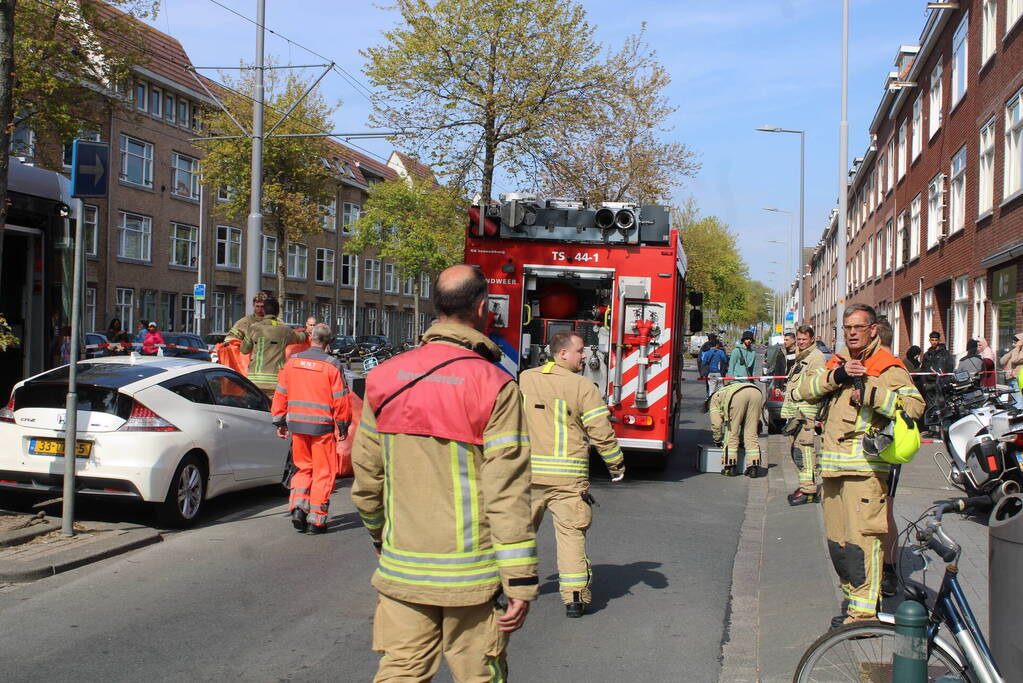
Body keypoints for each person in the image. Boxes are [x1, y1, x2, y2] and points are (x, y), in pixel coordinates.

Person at [351, 265, 536, 681]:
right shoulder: (495, 385)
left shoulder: (381, 379)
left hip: (403, 571)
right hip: (471, 578)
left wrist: (381, 537)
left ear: (434, 305)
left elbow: (366, 479)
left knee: (399, 671)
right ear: (484, 308)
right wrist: (520, 581)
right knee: (479, 674)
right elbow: (507, 493)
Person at [793, 304, 924, 627]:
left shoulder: (886, 366)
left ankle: (864, 614)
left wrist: (873, 393)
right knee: (839, 544)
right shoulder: (837, 362)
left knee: (863, 541)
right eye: (847, 327)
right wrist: (836, 377)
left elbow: (916, 407)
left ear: (872, 330)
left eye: (858, 327)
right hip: (833, 470)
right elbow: (800, 392)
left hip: (866, 470)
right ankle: (854, 601)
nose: (851, 333)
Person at [519, 330, 624, 619]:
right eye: (580, 351)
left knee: (517, 535)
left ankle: (506, 591)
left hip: (527, 476)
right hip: (568, 480)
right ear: (562, 353)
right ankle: (575, 599)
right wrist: (616, 465)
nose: (585, 356)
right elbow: (600, 431)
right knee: (571, 537)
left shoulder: (525, 379)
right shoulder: (582, 387)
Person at [272, 323, 352, 534]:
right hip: (322, 428)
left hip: (297, 425)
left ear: (311, 337)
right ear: (328, 343)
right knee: (324, 472)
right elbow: (341, 400)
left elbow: (281, 392)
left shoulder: (293, 362)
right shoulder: (332, 365)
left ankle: (298, 505)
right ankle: (316, 519)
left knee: (302, 467)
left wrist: (279, 421)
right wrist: (343, 425)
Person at [781, 325, 826, 505]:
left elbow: (815, 386)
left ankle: (809, 490)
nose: (800, 342)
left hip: (805, 413)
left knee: (805, 451)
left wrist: (796, 396)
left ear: (812, 339)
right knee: (797, 451)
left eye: (804, 339)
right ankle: (805, 485)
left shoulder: (816, 358)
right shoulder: (802, 357)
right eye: (798, 339)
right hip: (796, 413)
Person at [241, 298, 306, 398]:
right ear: (278, 312)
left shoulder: (254, 328)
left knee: (255, 412)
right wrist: (306, 333)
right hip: (276, 381)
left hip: (255, 381)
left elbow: (244, 350)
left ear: (264, 311)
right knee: (272, 411)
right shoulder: (284, 330)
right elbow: (299, 338)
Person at [709, 381, 766, 477]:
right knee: (751, 433)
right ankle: (753, 469)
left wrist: (717, 440)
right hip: (756, 392)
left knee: (731, 433)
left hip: (737, 396)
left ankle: (730, 468)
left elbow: (717, 424)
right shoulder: (724, 391)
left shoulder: (714, 400)